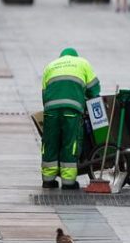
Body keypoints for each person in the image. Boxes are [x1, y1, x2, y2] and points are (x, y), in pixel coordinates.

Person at [40, 48, 100, 190]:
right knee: (70, 143)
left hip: (51, 111)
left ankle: (48, 180)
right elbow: (94, 89)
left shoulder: (50, 66)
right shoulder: (82, 63)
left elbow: (44, 92)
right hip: (71, 111)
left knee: (50, 143)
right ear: (75, 56)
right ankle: (68, 182)